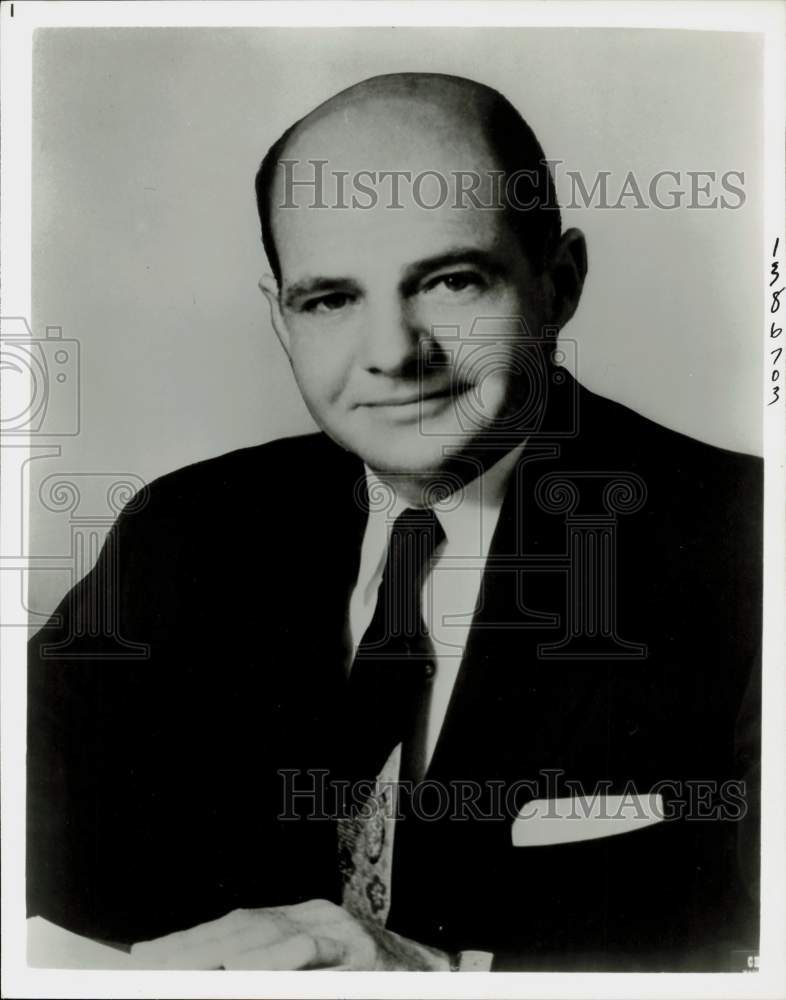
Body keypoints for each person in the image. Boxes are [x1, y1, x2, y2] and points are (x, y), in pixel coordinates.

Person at [27, 72, 762, 971]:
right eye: (331, 299)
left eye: (452, 281)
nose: (392, 355)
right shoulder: (185, 530)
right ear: (280, 318)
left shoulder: (751, 550)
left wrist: (436, 980)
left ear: (559, 283)